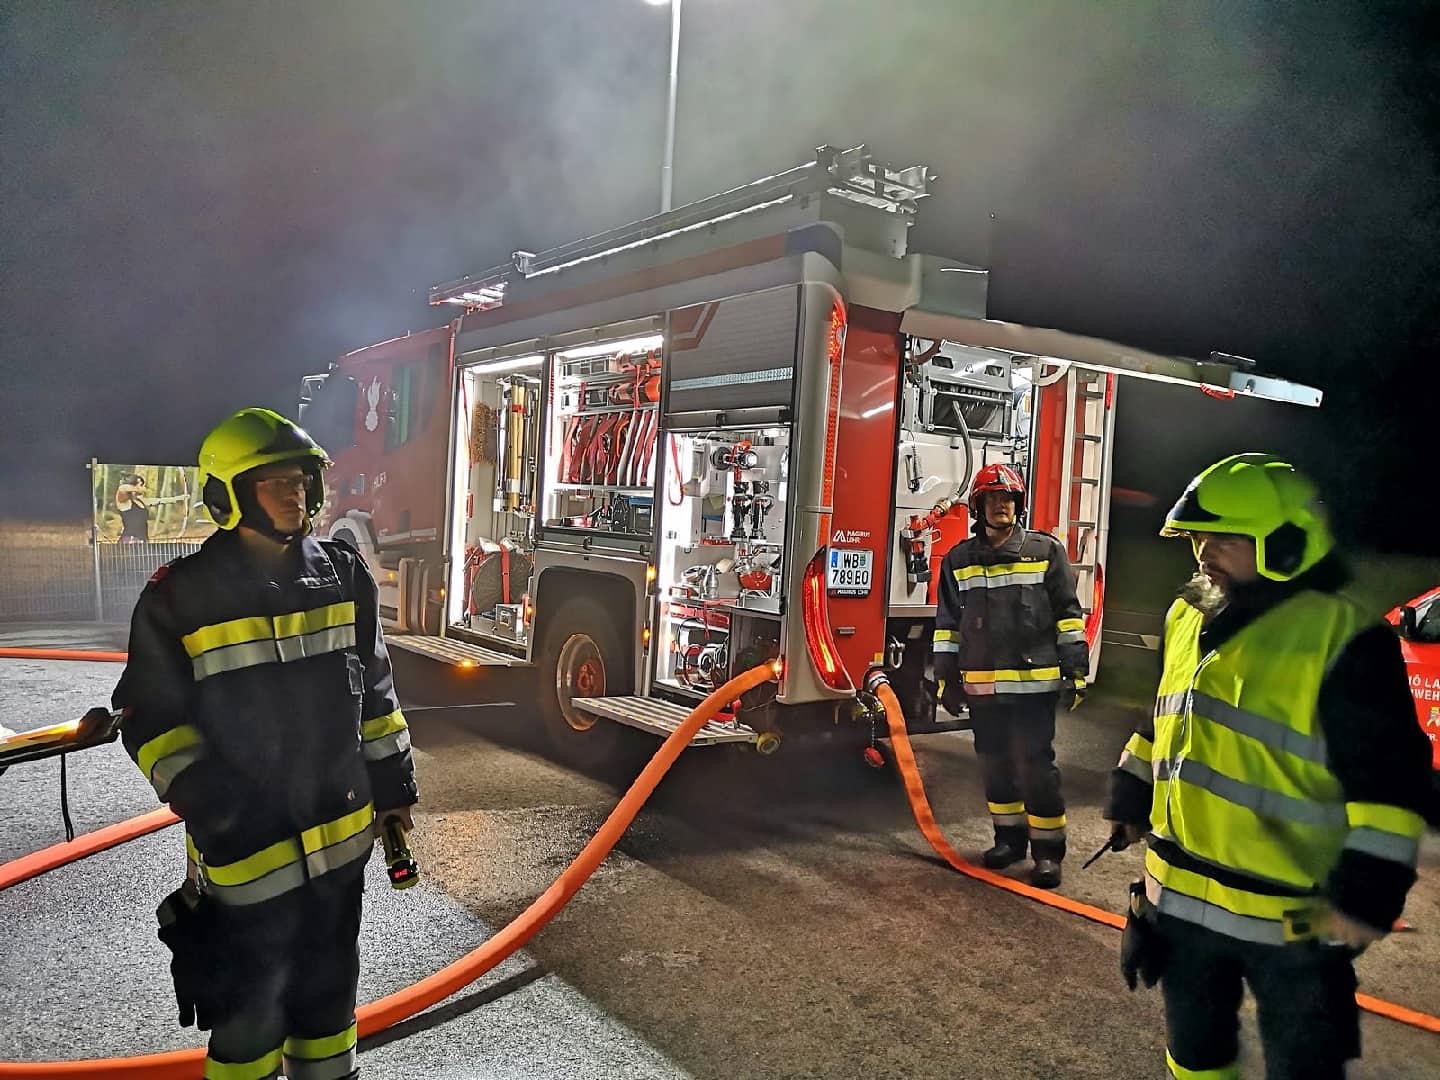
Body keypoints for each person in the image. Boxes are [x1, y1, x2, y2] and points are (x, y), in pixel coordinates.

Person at [1103, 453, 1430, 1079]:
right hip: (1180, 902)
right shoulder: (1188, 612)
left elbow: (1389, 784)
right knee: (1194, 1058)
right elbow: (1170, 713)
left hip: (1292, 920)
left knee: (1303, 1065)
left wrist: (1365, 897)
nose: (1203, 552)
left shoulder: (1343, 638)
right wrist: (1131, 790)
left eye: (1225, 537)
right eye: (1198, 535)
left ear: (1286, 544)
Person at [114, 408, 418, 1080]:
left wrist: (395, 794)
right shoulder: (181, 598)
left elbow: (375, 693)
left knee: (328, 1007)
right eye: (275, 483)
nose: (297, 496)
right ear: (227, 495)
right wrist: (216, 809)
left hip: (341, 848)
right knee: (249, 1019)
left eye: (302, 481)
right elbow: (148, 718)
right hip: (247, 858)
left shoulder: (345, 576)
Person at [932, 462, 1089, 888]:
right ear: (978, 505)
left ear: (1019, 504)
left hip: (1033, 688)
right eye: (993, 498)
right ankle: (1009, 841)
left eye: (1008, 498)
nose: (1001, 505)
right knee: (994, 766)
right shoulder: (959, 559)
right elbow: (947, 624)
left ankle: (1047, 853)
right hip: (983, 688)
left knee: (1036, 767)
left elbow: (1067, 615)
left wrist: (1075, 669)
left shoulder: (1044, 551)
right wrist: (944, 676)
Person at [115, 472, 187, 543]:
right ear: (133, 485)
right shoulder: (125, 503)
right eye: (141, 485)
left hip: (143, 539)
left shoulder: (141, 501)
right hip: (129, 540)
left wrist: (179, 498)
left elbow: (160, 501)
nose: (143, 487)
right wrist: (139, 489)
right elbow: (122, 488)